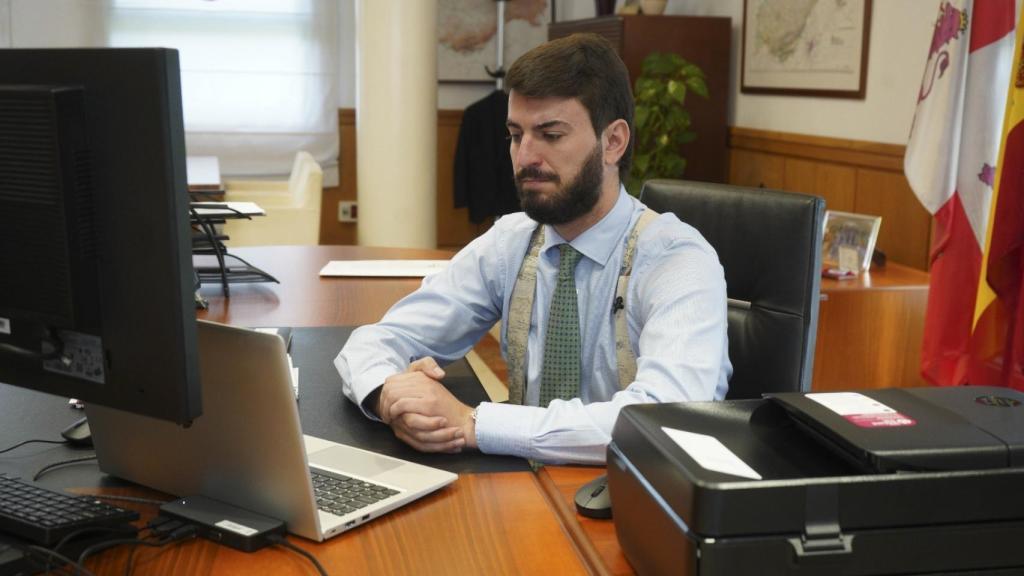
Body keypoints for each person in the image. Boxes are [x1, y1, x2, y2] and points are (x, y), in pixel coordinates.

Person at [335, 33, 731, 465]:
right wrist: (387, 391)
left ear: (613, 142)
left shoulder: (677, 259)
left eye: (550, 134)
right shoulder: (512, 240)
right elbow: (380, 339)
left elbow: (663, 420)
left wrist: (474, 422)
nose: (524, 157)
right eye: (515, 134)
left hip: (631, 504)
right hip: (523, 489)